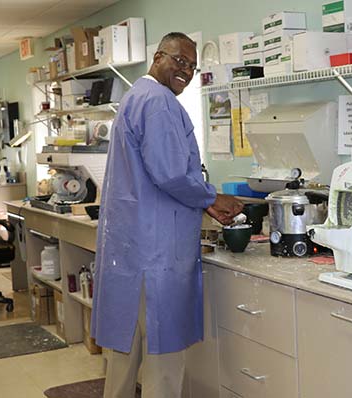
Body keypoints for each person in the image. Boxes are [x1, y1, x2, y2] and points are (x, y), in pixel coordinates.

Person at [91, 32, 244, 398]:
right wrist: (210, 196)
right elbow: (171, 173)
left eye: (192, 66)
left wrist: (205, 200)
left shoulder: (135, 97)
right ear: (158, 56)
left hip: (132, 250)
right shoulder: (158, 102)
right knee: (163, 365)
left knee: (123, 361)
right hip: (156, 255)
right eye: (179, 61)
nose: (186, 71)